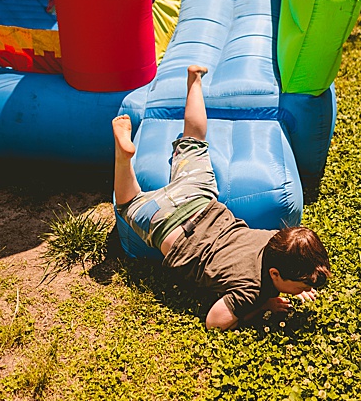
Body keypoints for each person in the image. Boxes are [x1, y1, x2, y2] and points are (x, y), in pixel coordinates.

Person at [113, 64, 331, 330]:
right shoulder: (252, 290)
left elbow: (291, 262)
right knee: (127, 204)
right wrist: (262, 304)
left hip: (198, 201)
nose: (298, 291)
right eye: (298, 286)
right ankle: (122, 160)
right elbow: (214, 322)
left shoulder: (275, 240)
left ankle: (194, 80)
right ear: (274, 275)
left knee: (194, 139)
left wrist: (298, 283)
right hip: (169, 228)